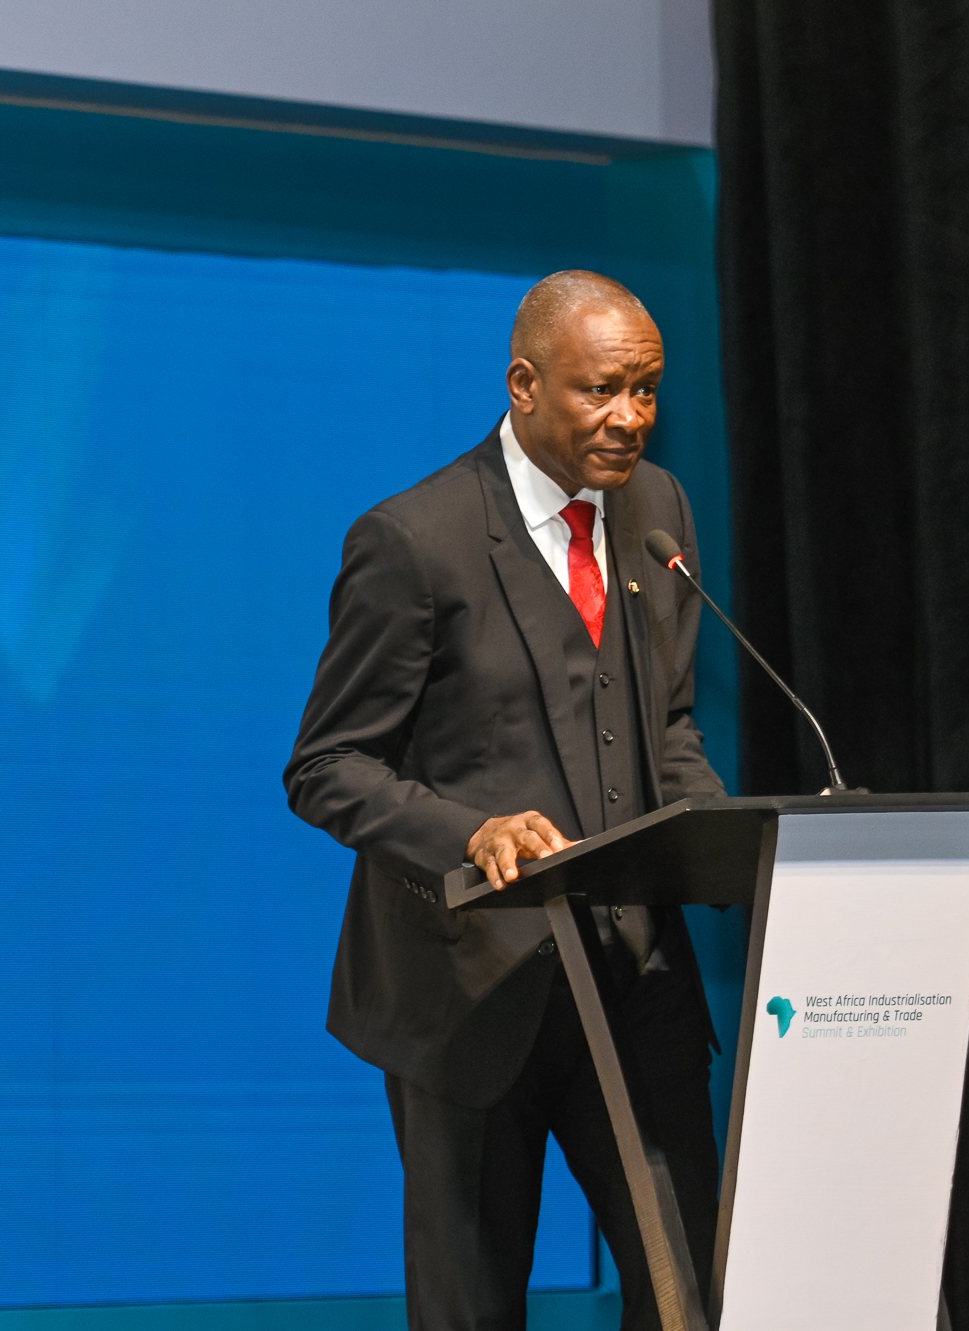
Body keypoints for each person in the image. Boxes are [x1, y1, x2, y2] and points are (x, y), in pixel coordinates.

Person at [285, 271, 726, 1330]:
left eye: (647, 390)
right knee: (471, 1312)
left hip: (636, 980)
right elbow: (327, 764)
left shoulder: (657, 508)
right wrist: (469, 830)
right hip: (470, 993)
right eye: (601, 390)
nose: (630, 417)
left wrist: (721, 836)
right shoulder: (414, 540)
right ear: (523, 384)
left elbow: (664, 722)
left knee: (693, 1297)